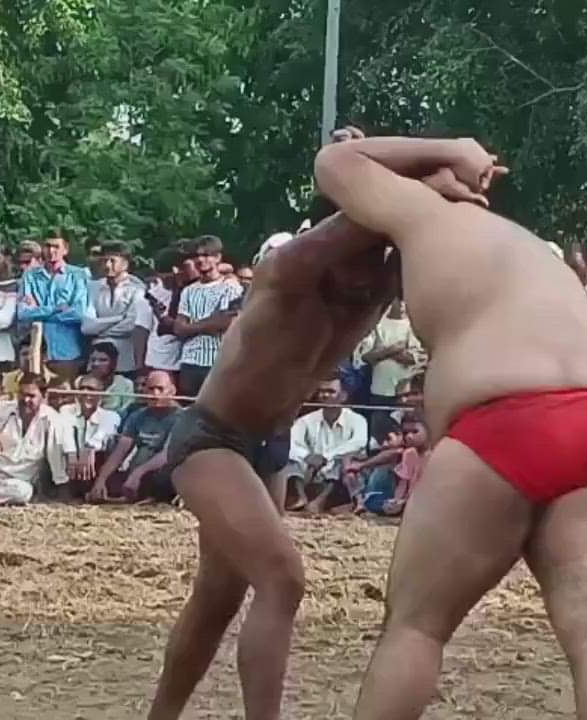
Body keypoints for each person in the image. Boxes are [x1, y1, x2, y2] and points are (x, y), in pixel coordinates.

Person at [314, 137, 587, 720]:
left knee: (416, 628)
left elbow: (334, 165)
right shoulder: (538, 253)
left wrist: (451, 149)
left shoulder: (424, 215)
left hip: (506, 422)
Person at [146, 187, 400, 717]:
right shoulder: (289, 271)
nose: (363, 269)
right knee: (282, 579)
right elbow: (345, 179)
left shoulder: (380, 280)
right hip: (212, 437)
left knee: (217, 597)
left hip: (268, 448)